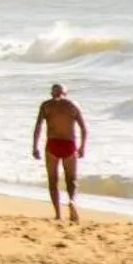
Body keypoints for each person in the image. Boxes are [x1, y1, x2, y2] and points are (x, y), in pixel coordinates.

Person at [32, 83, 89, 222]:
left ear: (52, 93)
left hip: (52, 145)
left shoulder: (46, 106)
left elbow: (38, 127)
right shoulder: (72, 105)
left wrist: (34, 147)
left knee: (53, 181)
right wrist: (82, 147)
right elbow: (84, 128)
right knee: (72, 180)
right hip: (69, 145)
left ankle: (58, 214)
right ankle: (72, 201)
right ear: (65, 93)